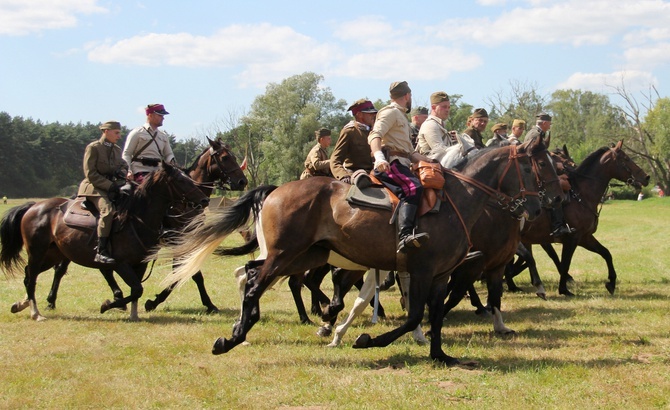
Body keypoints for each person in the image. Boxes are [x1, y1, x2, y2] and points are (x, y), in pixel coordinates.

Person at [368, 81, 433, 253]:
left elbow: (411, 153)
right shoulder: (390, 113)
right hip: (391, 164)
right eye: (410, 96)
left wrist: (434, 161)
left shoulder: (401, 116)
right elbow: (375, 135)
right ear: (407, 96)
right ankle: (404, 237)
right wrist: (379, 157)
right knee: (413, 188)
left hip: (404, 162)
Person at [78, 121, 129, 264]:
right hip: (94, 186)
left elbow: (123, 165)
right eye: (116, 133)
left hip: (113, 185)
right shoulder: (93, 148)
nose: (119, 136)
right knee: (108, 211)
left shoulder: (117, 149)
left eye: (119, 133)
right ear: (106, 131)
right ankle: (101, 251)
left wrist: (122, 173)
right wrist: (110, 185)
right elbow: (91, 173)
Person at [526, 112, 572, 237]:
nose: (550, 126)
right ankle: (557, 227)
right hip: (535, 173)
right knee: (555, 194)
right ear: (545, 123)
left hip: (538, 171)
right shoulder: (535, 134)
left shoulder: (538, 133)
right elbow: (531, 156)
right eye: (550, 124)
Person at [122, 103, 176, 183]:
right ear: (150, 115)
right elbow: (127, 154)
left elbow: (168, 154)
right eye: (160, 115)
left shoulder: (163, 136)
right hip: (140, 171)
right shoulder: (137, 133)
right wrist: (129, 171)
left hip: (158, 172)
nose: (163, 118)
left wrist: (172, 163)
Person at [330, 99, 378, 183]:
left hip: (375, 174)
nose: (373, 115)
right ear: (359, 115)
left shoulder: (375, 131)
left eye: (374, 113)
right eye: (369, 113)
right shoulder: (350, 131)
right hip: (357, 175)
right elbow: (335, 160)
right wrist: (343, 175)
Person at [415, 91, 454, 160]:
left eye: (448, 107)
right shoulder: (430, 125)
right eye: (444, 107)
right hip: (431, 167)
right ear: (433, 107)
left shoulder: (439, 124)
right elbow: (440, 151)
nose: (447, 110)